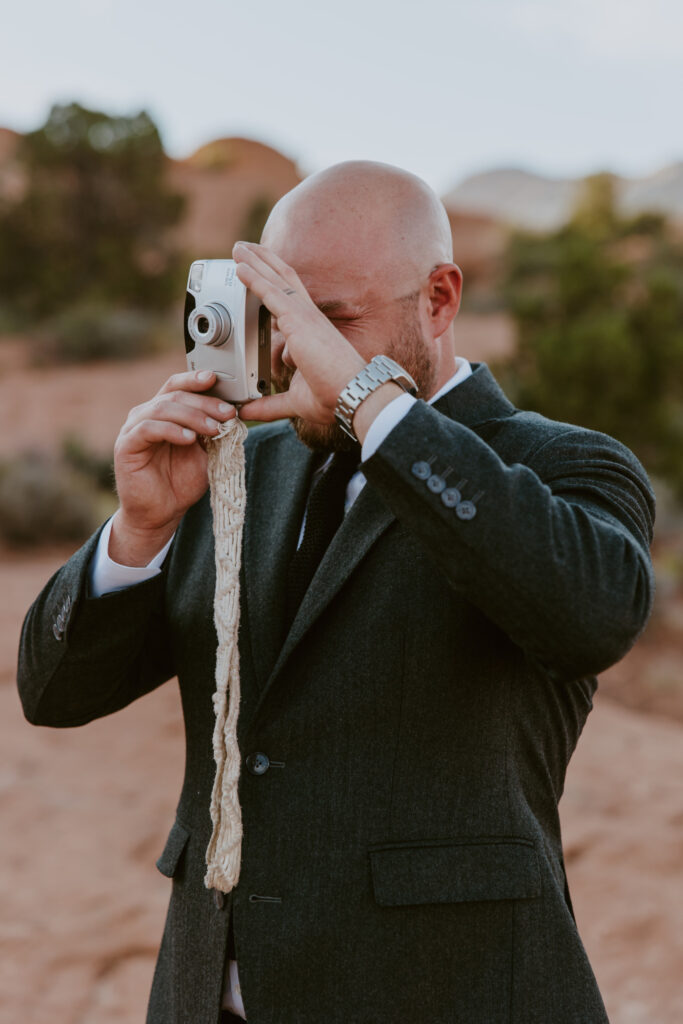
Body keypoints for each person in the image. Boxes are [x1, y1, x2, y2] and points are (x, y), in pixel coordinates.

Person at [18, 161, 655, 1024]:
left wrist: (371, 406)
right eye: (278, 317)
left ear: (438, 298)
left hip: (446, 995)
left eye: (329, 320)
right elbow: (55, 695)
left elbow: (593, 612)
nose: (291, 351)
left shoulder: (559, 464)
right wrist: (136, 535)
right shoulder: (238, 469)